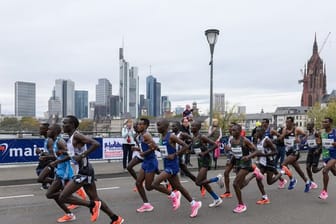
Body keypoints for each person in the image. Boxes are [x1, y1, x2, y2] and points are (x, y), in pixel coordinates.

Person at [58, 115, 124, 224]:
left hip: (84, 171)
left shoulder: (77, 135)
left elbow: (96, 144)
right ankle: (115, 218)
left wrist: (82, 155)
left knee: (63, 197)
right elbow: (74, 154)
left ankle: (92, 205)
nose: (63, 125)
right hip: (85, 170)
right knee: (95, 197)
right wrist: (64, 154)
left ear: (73, 125)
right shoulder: (70, 138)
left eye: (65, 123)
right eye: (62, 123)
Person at [151, 119, 202, 218]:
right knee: (179, 187)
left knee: (155, 184)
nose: (157, 127)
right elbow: (164, 151)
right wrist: (156, 148)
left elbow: (185, 146)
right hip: (167, 164)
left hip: (172, 166)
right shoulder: (162, 137)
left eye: (159, 125)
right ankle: (194, 204)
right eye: (157, 125)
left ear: (165, 127)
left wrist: (175, 154)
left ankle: (173, 195)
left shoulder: (171, 136)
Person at [44, 124, 76, 223]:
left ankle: (90, 204)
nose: (47, 131)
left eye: (49, 130)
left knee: (50, 194)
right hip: (59, 171)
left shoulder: (60, 141)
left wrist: (56, 162)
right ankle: (69, 213)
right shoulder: (55, 141)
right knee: (51, 194)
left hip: (64, 173)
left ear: (55, 131)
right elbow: (60, 155)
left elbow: (70, 155)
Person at [190, 121, 224, 208]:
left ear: (198, 128)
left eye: (193, 126)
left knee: (198, 182)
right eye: (191, 126)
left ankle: (217, 178)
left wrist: (205, 152)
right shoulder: (193, 137)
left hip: (205, 160)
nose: (191, 127)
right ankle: (217, 199)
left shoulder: (202, 137)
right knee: (204, 182)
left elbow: (215, 145)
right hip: (199, 160)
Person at [229, 124, 259, 213]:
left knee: (235, 184)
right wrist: (233, 163)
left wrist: (249, 156)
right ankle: (254, 174)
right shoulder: (232, 140)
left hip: (246, 164)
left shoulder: (245, 140)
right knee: (241, 184)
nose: (232, 131)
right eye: (232, 130)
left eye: (234, 130)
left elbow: (257, 150)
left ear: (239, 131)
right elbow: (235, 153)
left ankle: (241, 205)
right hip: (238, 164)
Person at [279, 116, 311, 192]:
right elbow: (281, 139)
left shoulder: (296, 129)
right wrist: (283, 135)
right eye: (286, 122)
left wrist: (300, 141)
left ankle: (292, 180)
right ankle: (307, 182)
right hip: (288, 152)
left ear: (292, 123)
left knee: (283, 164)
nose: (287, 124)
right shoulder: (284, 129)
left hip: (295, 152)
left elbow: (306, 134)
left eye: (288, 122)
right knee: (298, 169)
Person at [134, 118, 159, 213]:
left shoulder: (146, 135)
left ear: (145, 126)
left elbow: (154, 147)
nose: (138, 125)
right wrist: (137, 149)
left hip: (151, 161)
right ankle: (146, 205)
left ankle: (172, 193)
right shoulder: (140, 135)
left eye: (141, 124)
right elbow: (144, 148)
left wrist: (144, 153)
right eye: (138, 124)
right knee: (138, 183)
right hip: (146, 161)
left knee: (149, 186)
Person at [319, 117, 336, 200]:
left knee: (325, 171)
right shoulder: (322, 133)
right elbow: (320, 143)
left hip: (334, 155)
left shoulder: (335, 132)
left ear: (330, 123)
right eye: (323, 122)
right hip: (326, 156)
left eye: (325, 122)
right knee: (334, 173)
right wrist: (318, 142)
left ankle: (324, 192)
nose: (323, 123)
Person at [36, 122, 54, 190]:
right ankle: (47, 184)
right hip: (47, 162)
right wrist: (42, 153)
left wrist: (41, 153)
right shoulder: (47, 139)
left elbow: (53, 154)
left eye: (41, 129)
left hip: (51, 162)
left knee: (40, 175)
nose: (39, 131)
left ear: (46, 130)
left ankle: (57, 182)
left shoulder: (50, 140)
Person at [304, 121, 323, 189]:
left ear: (312, 126)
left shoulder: (316, 133)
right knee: (307, 167)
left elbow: (320, 143)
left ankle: (323, 166)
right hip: (310, 150)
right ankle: (312, 182)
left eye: (309, 125)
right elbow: (309, 142)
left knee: (314, 170)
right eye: (307, 125)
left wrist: (318, 150)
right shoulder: (308, 134)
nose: (307, 126)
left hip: (316, 151)